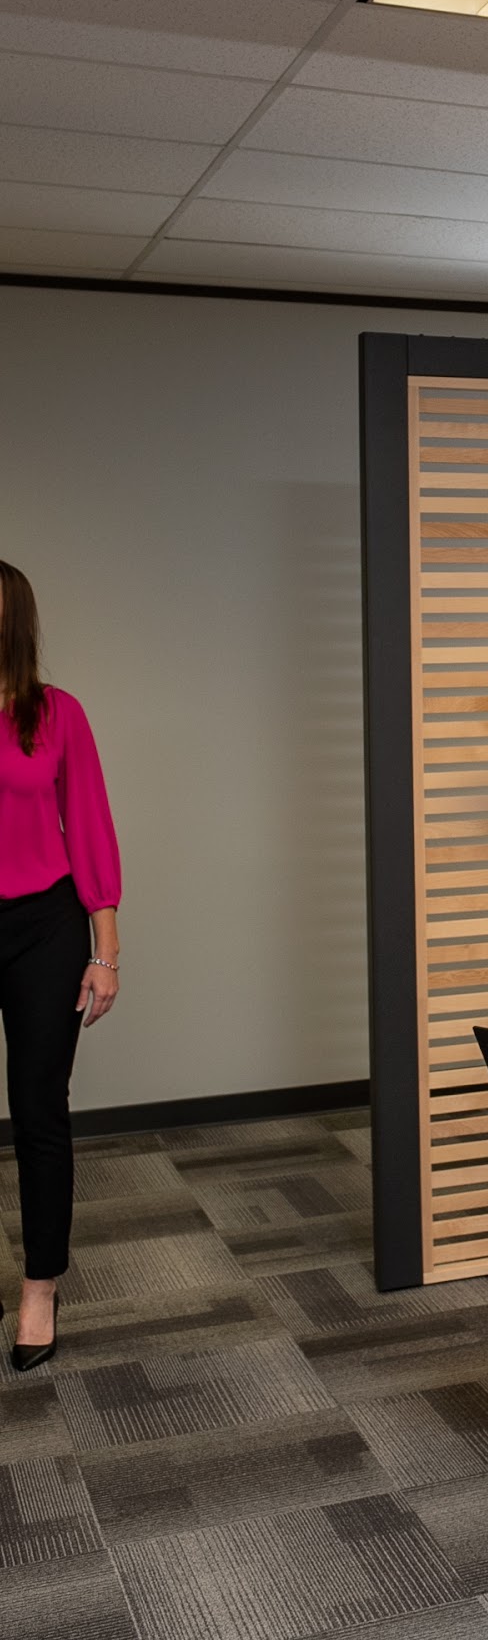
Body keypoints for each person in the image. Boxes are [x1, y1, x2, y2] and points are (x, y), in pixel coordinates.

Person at [0, 561, 121, 1373]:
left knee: (39, 1108)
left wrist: (105, 951)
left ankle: (41, 1285)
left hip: (45, 926)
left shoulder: (56, 714)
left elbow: (91, 824)